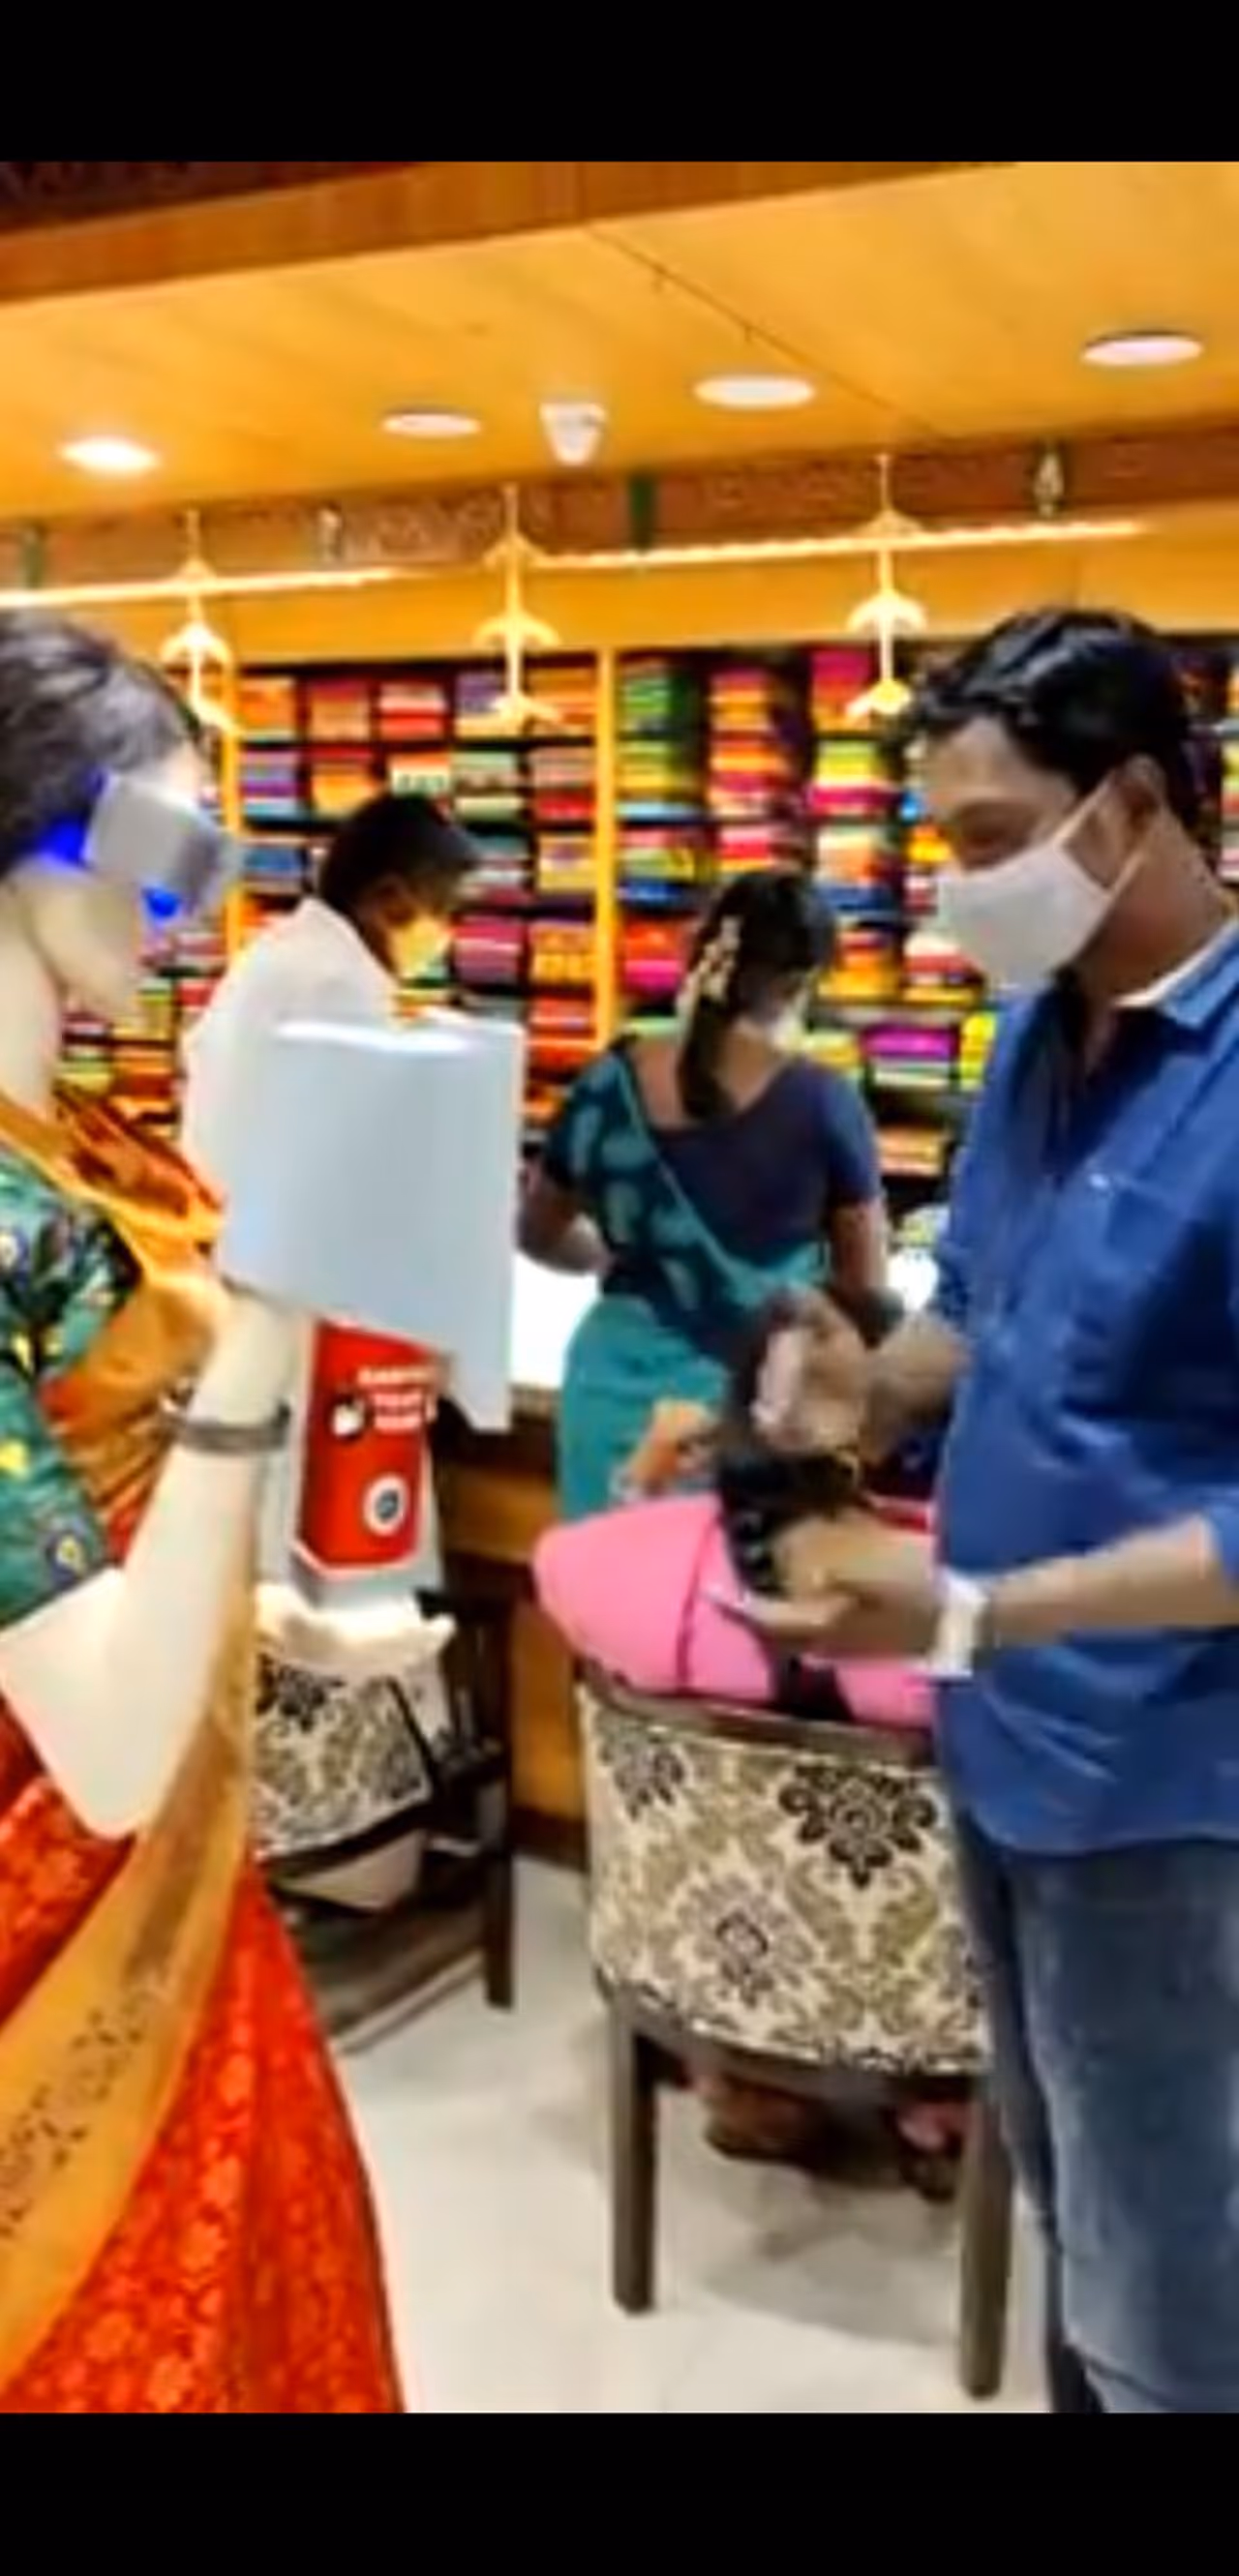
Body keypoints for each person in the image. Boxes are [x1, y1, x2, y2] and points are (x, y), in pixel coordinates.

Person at [740, 610, 1239, 2414]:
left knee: (1182, 2293)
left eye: (989, 838)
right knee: (1074, 2226)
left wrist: (970, 1607)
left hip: (1178, 1793)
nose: (957, 888)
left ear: (1133, 804)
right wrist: (867, 1383)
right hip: (1003, 1751)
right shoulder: (1038, 1034)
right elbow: (983, 1302)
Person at [0, 613, 401, 2413]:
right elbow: (97, 1745)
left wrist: (265, 1605)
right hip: (55, 1902)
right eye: (164, 845)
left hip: (187, 1892)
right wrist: (270, 1325)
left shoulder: (95, 1150)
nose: (189, 904)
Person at [521, 868, 888, 1519]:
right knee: (719, 1584)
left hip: (606, 1392)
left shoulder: (608, 1081)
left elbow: (536, 1233)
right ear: (801, 984)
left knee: (599, 1580)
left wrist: (614, 1259)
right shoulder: (823, 1104)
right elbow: (865, 1293)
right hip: (741, 1412)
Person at [184, 788, 476, 1192]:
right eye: (448, 911)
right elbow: (364, 1158)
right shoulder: (339, 985)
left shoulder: (284, 948)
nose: (452, 931)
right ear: (391, 899)